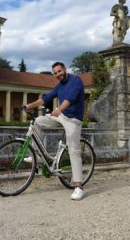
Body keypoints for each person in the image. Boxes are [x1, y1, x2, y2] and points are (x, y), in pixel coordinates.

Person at [24, 62, 85, 200]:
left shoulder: (76, 81)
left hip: (73, 120)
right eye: (55, 73)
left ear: (64, 69)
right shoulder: (59, 86)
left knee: (73, 150)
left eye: (59, 71)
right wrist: (30, 105)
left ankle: (78, 187)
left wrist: (59, 109)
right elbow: (46, 98)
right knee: (38, 122)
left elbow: (70, 99)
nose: (58, 74)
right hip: (61, 116)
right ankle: (38, 156)